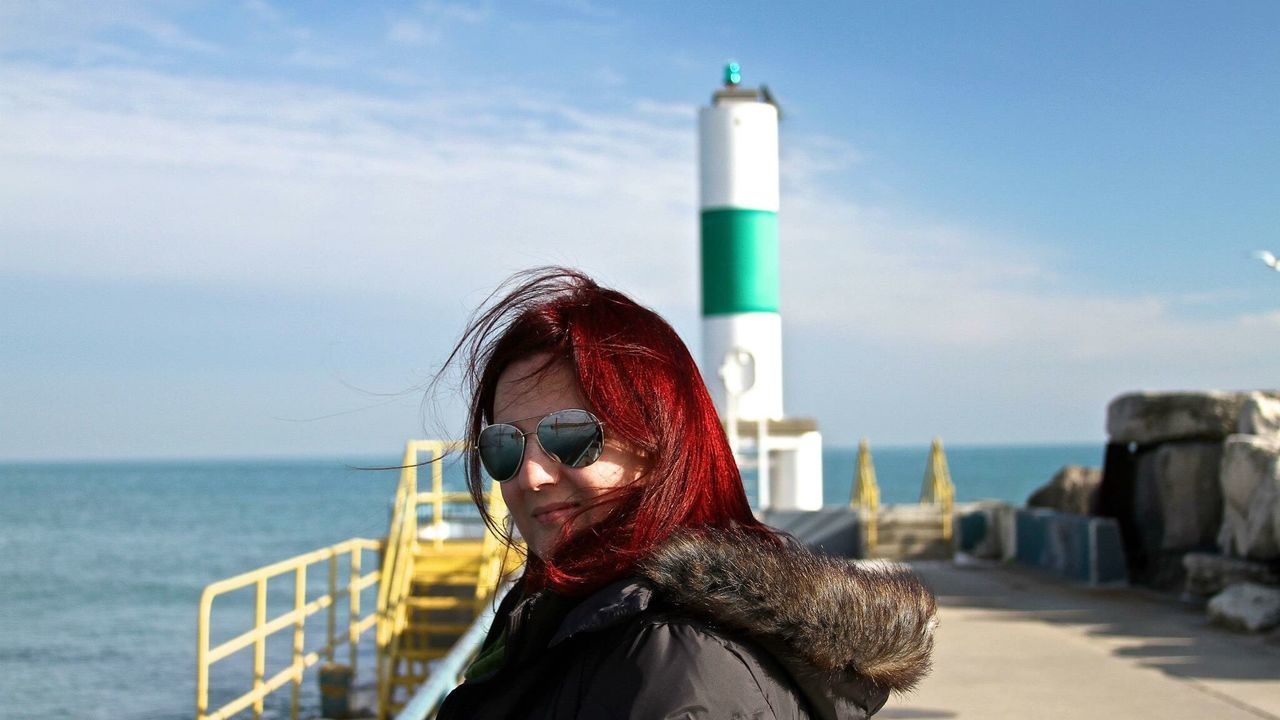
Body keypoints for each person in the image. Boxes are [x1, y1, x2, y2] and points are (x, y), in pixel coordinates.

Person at [434, 268, 936, 720]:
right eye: (503, 445)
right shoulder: (571, 619)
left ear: (661, 441)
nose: (530, 477)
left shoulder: (677, 660)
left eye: (569, 435)